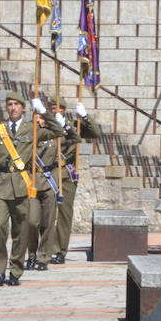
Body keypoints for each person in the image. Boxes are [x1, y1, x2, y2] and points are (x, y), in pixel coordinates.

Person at [0, 91, 37, 286]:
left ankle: (16, 269)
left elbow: (57, 131)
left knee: (22, 230)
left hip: (22, 185)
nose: (13, 108)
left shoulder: (33, 129)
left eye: (16, 104)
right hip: (0, 184)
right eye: (10, 104)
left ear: (23, 108)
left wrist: (44, 112)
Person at [52, 98, 99, 264]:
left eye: (57, 108)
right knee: (44, 215)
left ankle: (59, 251)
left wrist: (85, 116)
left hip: (66, 174)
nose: (54, 111)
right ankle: (42, 249)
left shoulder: (75, 125)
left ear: (64, 110)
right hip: (47, 173)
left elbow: (95, 133)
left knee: (64, 214)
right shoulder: (44, 124)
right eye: (51, 108)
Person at [22, 105, 66, 271]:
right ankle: (31, 255)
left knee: (48, 223)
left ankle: (43, 258)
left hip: (49, 184)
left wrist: (49, 116)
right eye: (36, 117)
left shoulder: (53, 135)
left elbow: (63, 132)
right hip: (32, 183)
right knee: (32, 222)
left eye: (41, 117)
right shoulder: (27, 136)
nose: (38, 120)